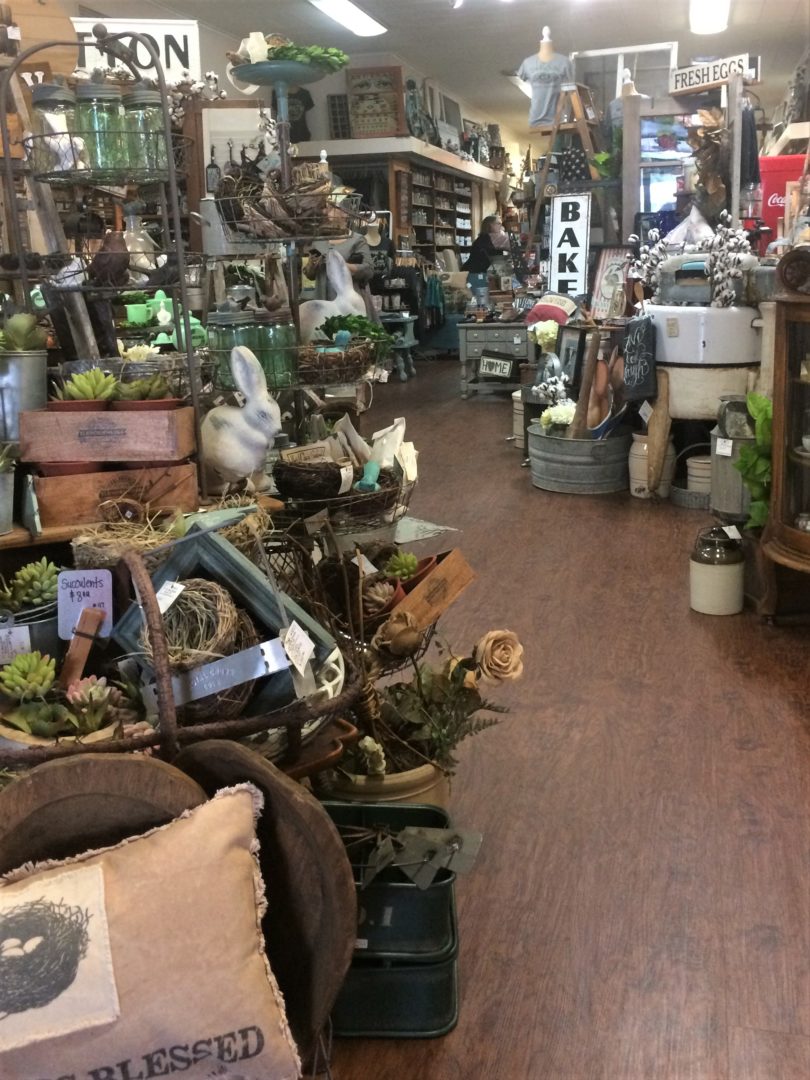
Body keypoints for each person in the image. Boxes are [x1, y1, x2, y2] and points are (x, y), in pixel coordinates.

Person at [463, 215, 509, 297]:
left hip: (471, 274)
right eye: (498, 223)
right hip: (479, 276)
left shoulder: (482, 237)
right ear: (490, 225)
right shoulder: (495, 237)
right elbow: (514, 246)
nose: (501, 226)